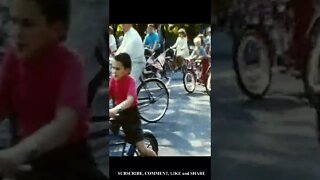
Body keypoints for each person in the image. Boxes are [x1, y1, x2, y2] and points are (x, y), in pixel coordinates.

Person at [0, 0, 106, 179]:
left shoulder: (69, 64)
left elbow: (65, 122)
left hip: (69, 158)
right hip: (26, 156)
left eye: (27, 24)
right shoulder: (12, 61)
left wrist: (19, 152)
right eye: (14, 21)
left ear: (56, 29)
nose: (16, 32)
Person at [109, 53, 157, 157]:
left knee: (142, 150)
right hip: (118, 115)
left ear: (127, 70)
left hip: (131, 116)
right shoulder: (113, 80)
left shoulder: (131, 81)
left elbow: (129, 100)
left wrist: (115, 109)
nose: (114, 71)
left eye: (117, 69)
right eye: (113, 68)